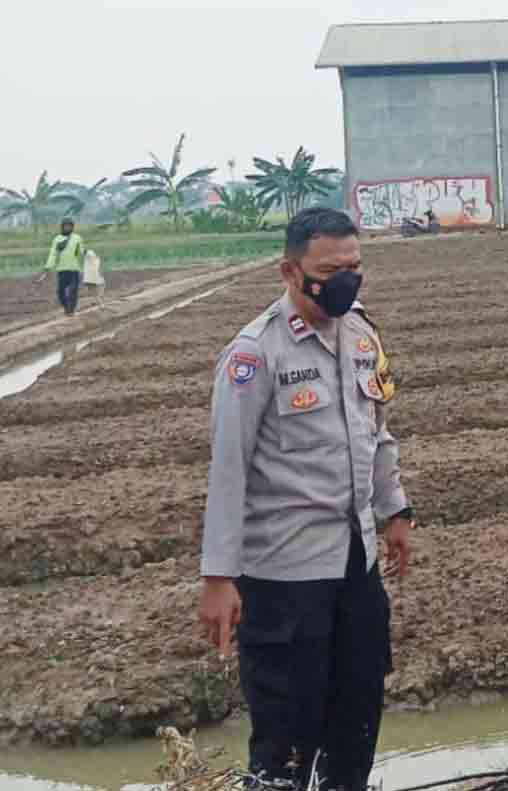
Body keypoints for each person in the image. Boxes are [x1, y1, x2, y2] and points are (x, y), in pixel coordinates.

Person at [197, 207, 414, 791]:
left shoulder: (364, 336)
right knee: (286, 740)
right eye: (330, 270)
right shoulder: (254, 355)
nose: (345, 280)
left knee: (358, 715)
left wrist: (395, 510)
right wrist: (219, 577)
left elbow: (378, 430)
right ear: (290, 272)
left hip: (354, 564)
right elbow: (228, 470)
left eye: (355, 267)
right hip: (284, 577)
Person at [35, 217, 86, 315]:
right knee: (60, 292)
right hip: (61, 270)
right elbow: (53, 254)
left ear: (72, 227)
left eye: (69, 226)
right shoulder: (57, 239)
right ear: (62, 227)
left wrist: (87, 256)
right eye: (65, 226)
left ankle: (71, 310)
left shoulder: (77, 238)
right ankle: (66, 307)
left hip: (74, 269)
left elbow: (81, 252)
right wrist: (48, 268)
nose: (67, 228)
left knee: (73, 291)